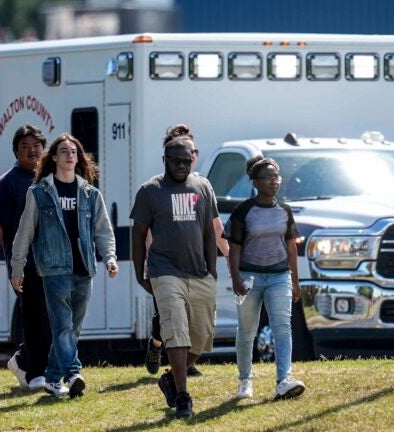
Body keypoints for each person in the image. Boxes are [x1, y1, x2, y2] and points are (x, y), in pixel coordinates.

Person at [11, 133, 118, 400]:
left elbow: (103, 230)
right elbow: (24, 233)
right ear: (55, 158)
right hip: (54, 268)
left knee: (74, 327)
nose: (70, 155)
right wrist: (17, 267)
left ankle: (51, 378)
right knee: (62, 325)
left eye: (74, 151)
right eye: (64, 151)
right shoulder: (39, 193)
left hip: (84, 268)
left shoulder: (91, 194)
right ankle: (72, 372)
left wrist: (110, 258)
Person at [131, 131, 219, 419]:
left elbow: (209, 231)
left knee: (203, 337)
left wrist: (212, 270)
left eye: (187, 161)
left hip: (199, 272)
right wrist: (139, 272)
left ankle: (169, 378)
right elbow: (138, 234)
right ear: (165, 160)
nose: (182, 166)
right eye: (176, 161)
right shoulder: (150, 191)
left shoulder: (203, 187)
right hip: (165, 271)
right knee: (176, 331)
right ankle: (183, 395)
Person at [144, 125, 229, 377]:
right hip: (166, 267)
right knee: (168, 318)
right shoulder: (157, 188)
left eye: (190, 152)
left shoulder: (202, 186)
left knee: (194, 319)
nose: (186, 158)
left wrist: (231, 254)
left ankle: (182, 367)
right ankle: (156, 345)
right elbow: (148, 230)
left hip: (195, 266)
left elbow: (215, 226)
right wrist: (150, 261)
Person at [226, 156, 306, 400]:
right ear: (255, 182)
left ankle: (284, 380)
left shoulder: (284, 210)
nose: (274, 181)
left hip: (279, 275)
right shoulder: (244, 211)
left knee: (283, 328)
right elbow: (234, 248)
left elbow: (291, 245)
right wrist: (236, 278)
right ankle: (245, 380)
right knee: (247, 331)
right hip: (249, 277)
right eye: (268, 177)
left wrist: (295, 280)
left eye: (276, 177)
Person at [0, 124, 50, 391]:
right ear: (16, 152)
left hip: (53, 263)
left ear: (44, 150)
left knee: (53, 319)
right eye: (24, 147)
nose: (31, 151)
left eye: (36, 146)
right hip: (25, 264)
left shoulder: (52, 178)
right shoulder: (7, 183)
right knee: (36, 318)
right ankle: (34, 371)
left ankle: (22, 359)